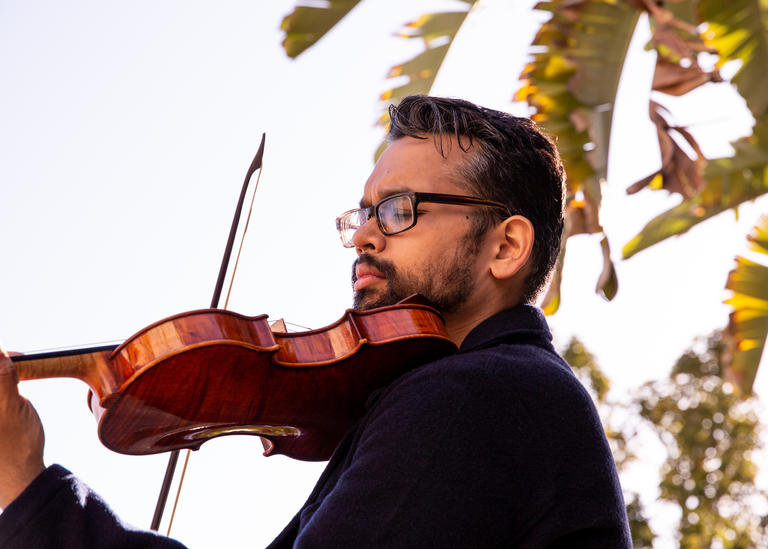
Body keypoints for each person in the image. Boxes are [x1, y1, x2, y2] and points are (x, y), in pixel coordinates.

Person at [0, 95, 631, 547]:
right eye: (361, 213)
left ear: (505, 247)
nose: (362, 236)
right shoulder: (490, 393)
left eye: (397, 209)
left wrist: (29, 492)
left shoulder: (481, 394)